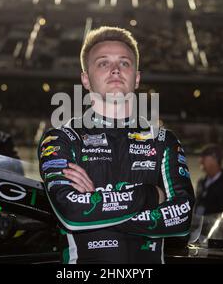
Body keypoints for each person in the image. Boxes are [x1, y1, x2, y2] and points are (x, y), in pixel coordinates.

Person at [38, 26, 195, 264]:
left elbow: (182, 219)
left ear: (137, 78)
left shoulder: (164, 140)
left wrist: (96, 205)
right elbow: (71, 213)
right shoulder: (61, 139)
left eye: (125, 63)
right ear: (85, 79)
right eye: (103, 63)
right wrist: (150, 195)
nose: (115, 70)